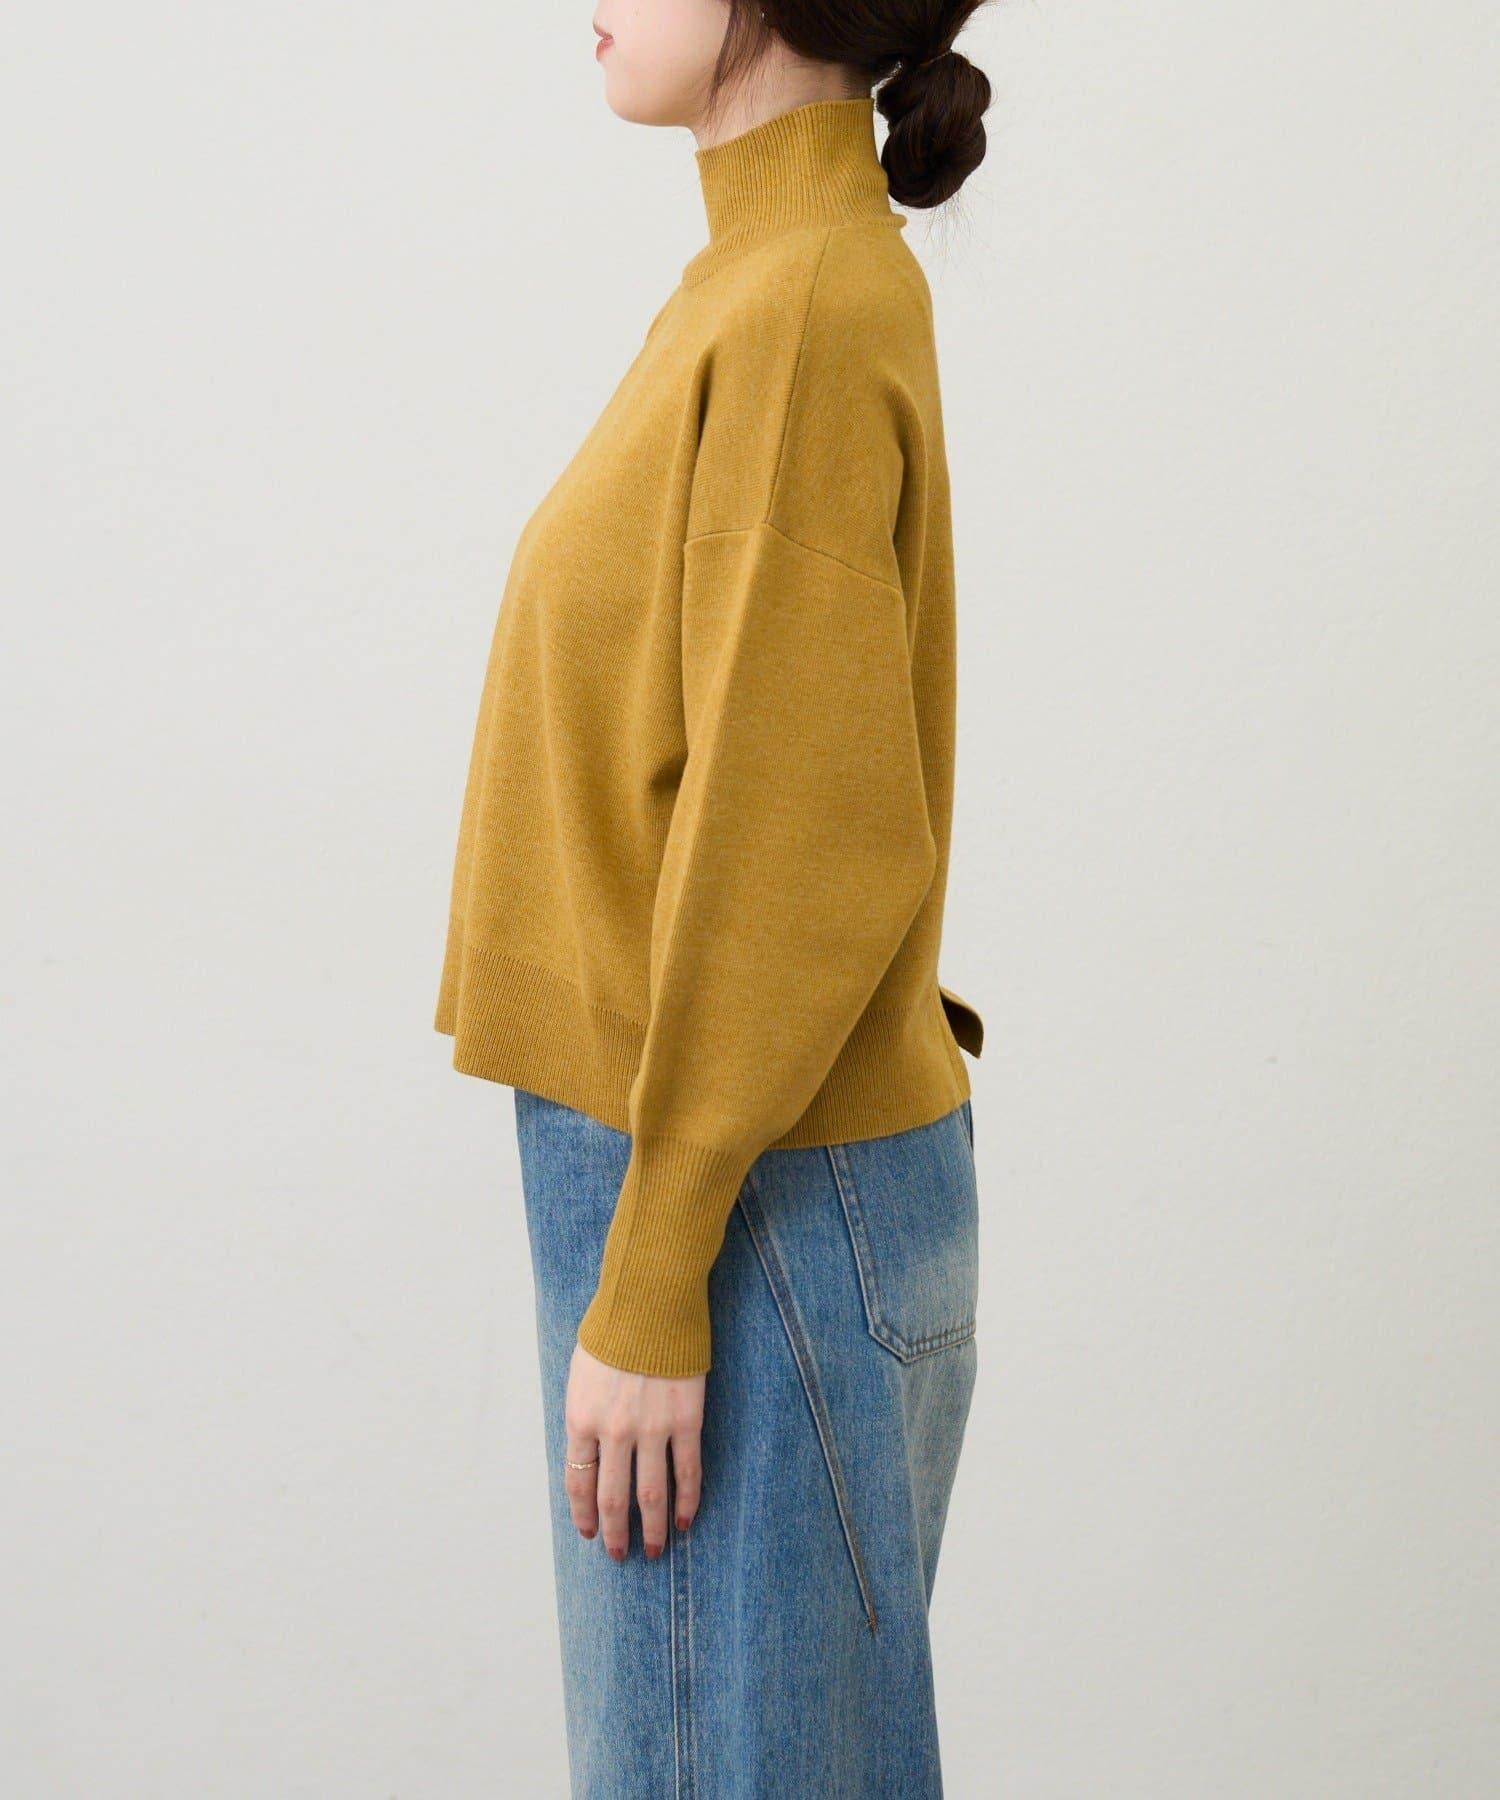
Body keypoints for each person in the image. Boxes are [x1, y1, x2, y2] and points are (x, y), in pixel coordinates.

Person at [434, 3, 993, 1792]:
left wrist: (658, 1266)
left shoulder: (801, 304)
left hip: (743, 1199)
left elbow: (802, 829)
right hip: (739, 1174)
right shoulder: (765, 283)